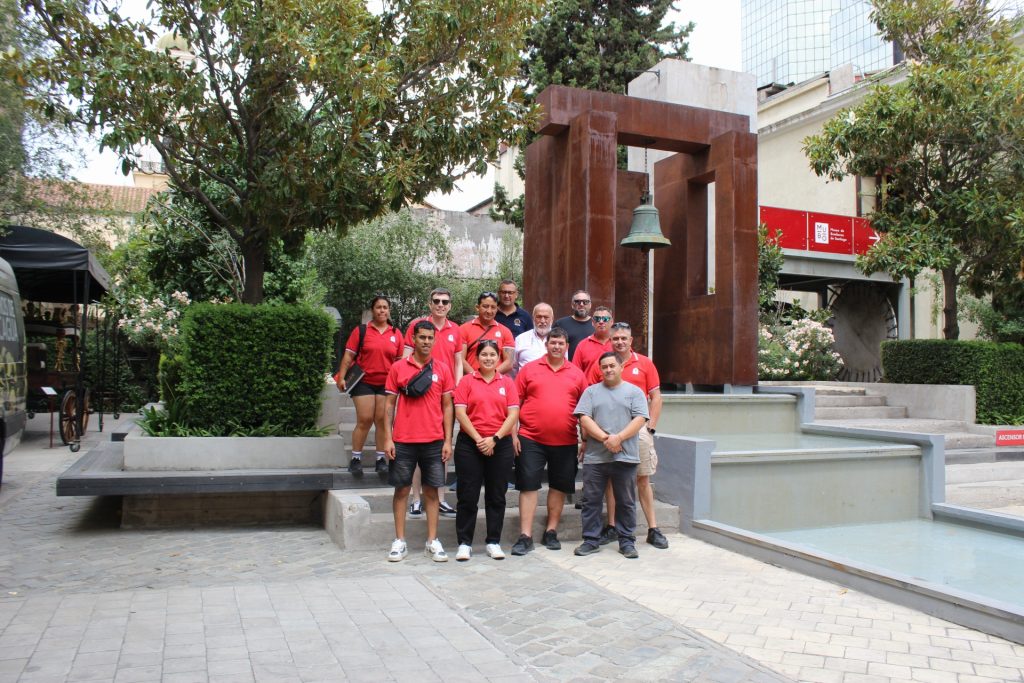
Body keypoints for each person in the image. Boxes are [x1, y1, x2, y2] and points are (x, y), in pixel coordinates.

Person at [587, 323, 668, 549]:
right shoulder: (602, 365)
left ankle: (653, 528)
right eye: (615, 339)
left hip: (638, 429)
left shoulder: (644, 363)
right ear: (609, 341)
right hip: (609, 431)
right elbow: (593, 396)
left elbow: (656, 397)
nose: (620, 342)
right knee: (612, 477)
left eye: (624, 338)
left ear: (631, 340)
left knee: (642, 478)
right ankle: (612, 526)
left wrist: (650, 428)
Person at [511, 327, 588, 555]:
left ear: (567, 347)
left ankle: (551, 531)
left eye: (561, 343)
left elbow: (584, 411)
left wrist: (584, 439)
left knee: (559, 486)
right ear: (547, 345)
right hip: (530, 438)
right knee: (528, 485)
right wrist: (513, 434)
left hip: (565, 440)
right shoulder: (530, 370)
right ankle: (525, 535)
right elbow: (514, 404)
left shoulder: (577, 374)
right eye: (553, 342)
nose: (556, 346)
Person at [382, 320, 454, 562]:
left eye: (430, 338)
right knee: (401, 489)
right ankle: (399, 540)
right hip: (403, 440)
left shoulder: (443, 369)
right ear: (413, 338)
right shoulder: (398, 368)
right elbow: (389, 405)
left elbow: (447, 406)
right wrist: (387, 438)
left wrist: (448, 440)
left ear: (435, 340)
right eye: (421, 337)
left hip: (434, 440)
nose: (425, 341)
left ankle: (432, 541)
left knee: (432, 491)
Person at [574, 352, 649, 559]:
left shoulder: (634, 392)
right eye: (604, 367)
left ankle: (626, 541)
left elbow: (640, 418)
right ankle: (591, 540)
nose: (608, 370)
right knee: (591, 500)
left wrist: (619, 438)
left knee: (625, 500)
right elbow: (584, 418)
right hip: (596, 458)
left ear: (621, 367)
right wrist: (607, 439)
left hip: (625, 457)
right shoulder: (591, 392)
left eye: (611, 366)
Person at [452, 339, 520, 561]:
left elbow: (513, 414)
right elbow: (461, 413)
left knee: (496, 495)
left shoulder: (507, 382)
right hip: (470, 444)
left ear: (499, 358)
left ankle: (493, 541)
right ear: (476, 358)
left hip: (499, 444)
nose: (488, 358)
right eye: (484, 355)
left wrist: (495, 438)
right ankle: (464, 543)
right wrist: (480, 439)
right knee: (467, 495)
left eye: (493, 354)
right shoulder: (466, 381)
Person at [404, 288, 463, 519]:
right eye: (436, 301)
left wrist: (456, 388)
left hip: (444, 394)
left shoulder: (455, 330)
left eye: (445, 302)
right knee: (418, 448)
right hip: (419, 395)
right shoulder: (417, 326)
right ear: (430, 304)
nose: (440, 305)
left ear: (450, 306)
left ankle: (440, 499)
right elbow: (405, 356)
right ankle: (416, 499)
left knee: (443, 447)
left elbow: (458, 362)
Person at [335, 295, 403, 476]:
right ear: (372, 310)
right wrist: (341, 377)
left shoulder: (396, 333)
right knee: (365, 419)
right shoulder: (362, 331)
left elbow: (399, 362)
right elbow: (348, 356)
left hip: (386, 384)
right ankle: (356, 458)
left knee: (382, 421)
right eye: (378, 307)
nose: (382, 310)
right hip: (363, 381)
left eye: (385, 307)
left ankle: (381, 459)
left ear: (389, 310)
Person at [461, 291, 514, 376]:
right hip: (471, 381)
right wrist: (475, 376)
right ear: (477, 307)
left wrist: (490, 376)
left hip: (496, 382)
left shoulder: (505, 331)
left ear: (497, 309)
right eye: (485, 306)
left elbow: (509, 362)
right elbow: (460, 359)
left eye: (493, 307)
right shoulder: (464, 329)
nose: (489, 311)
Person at [512, 302, 553, 378]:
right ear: (533, 318)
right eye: (539, 317)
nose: (542, 321)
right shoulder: (520, 339)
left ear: (552, 319)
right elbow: (513, 368)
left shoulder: (559, 340)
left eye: (546, 317)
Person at [572, 306, 614, 376]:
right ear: (592, 322)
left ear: (612, 322)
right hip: (590, 386)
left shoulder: (618, 343)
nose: (601, 322)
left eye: (605, 319)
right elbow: (575, 373)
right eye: (597, 319)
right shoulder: (582, 345)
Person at [554, 290, 594, 361]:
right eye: (577, 301)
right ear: (572, 305)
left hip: (591, 369)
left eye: (585, 302)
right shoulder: (561, 324)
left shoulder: (597, 324)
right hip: (568, 368)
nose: (581, 304)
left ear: (590, 305)